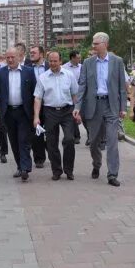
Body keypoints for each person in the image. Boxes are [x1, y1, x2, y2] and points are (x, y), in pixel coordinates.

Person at [74, 32, 127, 187]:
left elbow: (122, 88)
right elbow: (82, 86)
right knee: (94, 141)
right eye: (93, 43)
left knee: (112, 141)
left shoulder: (117, 62)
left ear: (105, 44)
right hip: (94, 106)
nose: (93, 46)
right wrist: (77, 107)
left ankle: (112, 174)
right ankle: (96, 165)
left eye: (96, 43)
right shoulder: (88, 63)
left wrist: (123, 107)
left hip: (111, 106)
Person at [0, 48, 37, 181]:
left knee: (23, 140)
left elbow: (35, 93)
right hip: (8, 112)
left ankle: (25, 168)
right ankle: (19, 166)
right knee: (14, 141)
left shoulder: (28, 72)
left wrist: (37, 114)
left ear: (19, 57)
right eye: (8, 57)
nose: (10, 60)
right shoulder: (1, 73)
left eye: (13, 57)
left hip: (24, 112)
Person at [33, 51, 78, 181]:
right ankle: (56, 170)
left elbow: (75, 95)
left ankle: (69, 170)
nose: (53, 63)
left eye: (55, 61)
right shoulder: (43, 77)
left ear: (60, 61)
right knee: (52, 143)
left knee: (69, 139)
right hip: (50, 112)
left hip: (67, 111)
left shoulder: (69, 75)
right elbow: (38, 98)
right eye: (50, 61)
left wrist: (78, 111)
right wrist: (36, 116)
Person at [28, 45, 49, 168]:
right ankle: (39, 158)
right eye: (30, 53)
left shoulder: (49, 66)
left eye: (34, 53)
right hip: (34, 104)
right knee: (36, 132)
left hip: (49, 103)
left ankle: (50, 150)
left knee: (51, 131)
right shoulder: (27, 68)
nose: (31, 54)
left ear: (41, 54)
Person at [62, 51, 82, 144]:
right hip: (70, 95)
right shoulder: (64, 68)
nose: (79, 59)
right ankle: (75, 135)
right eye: (78, 58)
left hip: (81, 94)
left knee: (84, 116)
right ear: (72, 58)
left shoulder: (82, 67)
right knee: (73, 115)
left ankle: (91, 135)